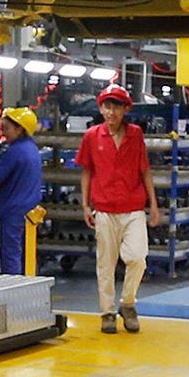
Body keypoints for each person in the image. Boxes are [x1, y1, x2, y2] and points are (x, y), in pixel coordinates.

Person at [80, 83, 153, 333]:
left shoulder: (136, 135)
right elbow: (87, 172)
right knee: (106, 263)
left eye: (116, 108)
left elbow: (145, 170)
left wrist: (154, 204)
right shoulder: (91, 136)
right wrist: (85, 205)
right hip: (104, 208)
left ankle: (128, 303)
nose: (111, 112)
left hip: (133, 207)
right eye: (107, 107)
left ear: (125, 110)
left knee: (137, 258)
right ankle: (107, 312)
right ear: (101, 109)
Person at [0, 102, 48, 275]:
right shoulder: (32, 149)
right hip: (29, 210)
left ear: (19, 129)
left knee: (11, 254)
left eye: (7, 128)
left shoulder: (14, 151)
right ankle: (28, 284)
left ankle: (12, 285)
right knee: (26, 254)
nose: (4, 132)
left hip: (14, 211)